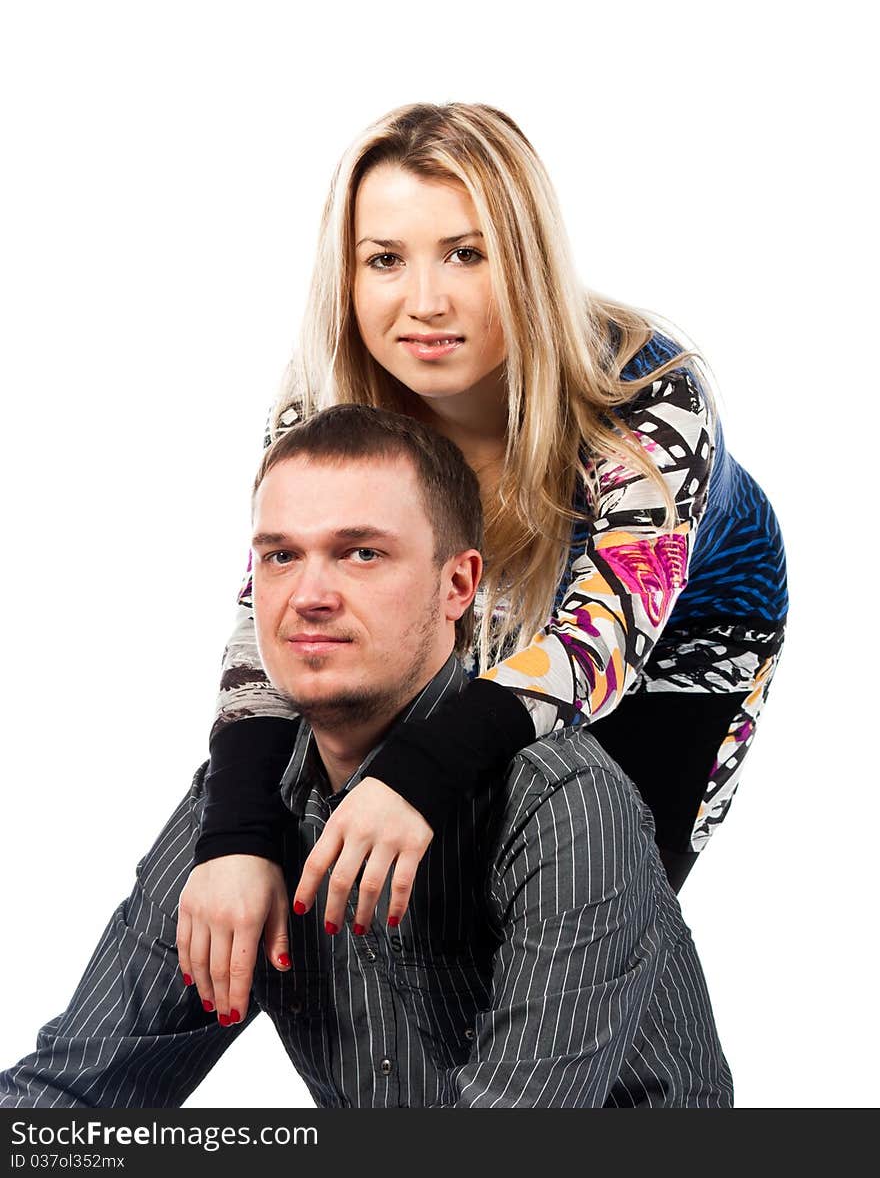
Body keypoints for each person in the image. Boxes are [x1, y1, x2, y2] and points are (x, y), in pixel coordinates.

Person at [184, 102, 788, 1021]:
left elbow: (604, 633)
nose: (425, 301)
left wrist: (414, 777)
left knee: (599, 889)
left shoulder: (650, 393)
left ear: (526, 259)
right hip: (469, 587)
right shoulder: (322, 408)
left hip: (677, 639)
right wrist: (233, 835)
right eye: (386, 258)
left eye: (467, 254)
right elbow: (266, 618)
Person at [0, 406, 733, 1109]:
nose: (309, 596)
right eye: (282, 556)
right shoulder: (240, 813)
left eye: (361, 553)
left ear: (459, 586)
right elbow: (71, 1090)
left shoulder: (564, 803)